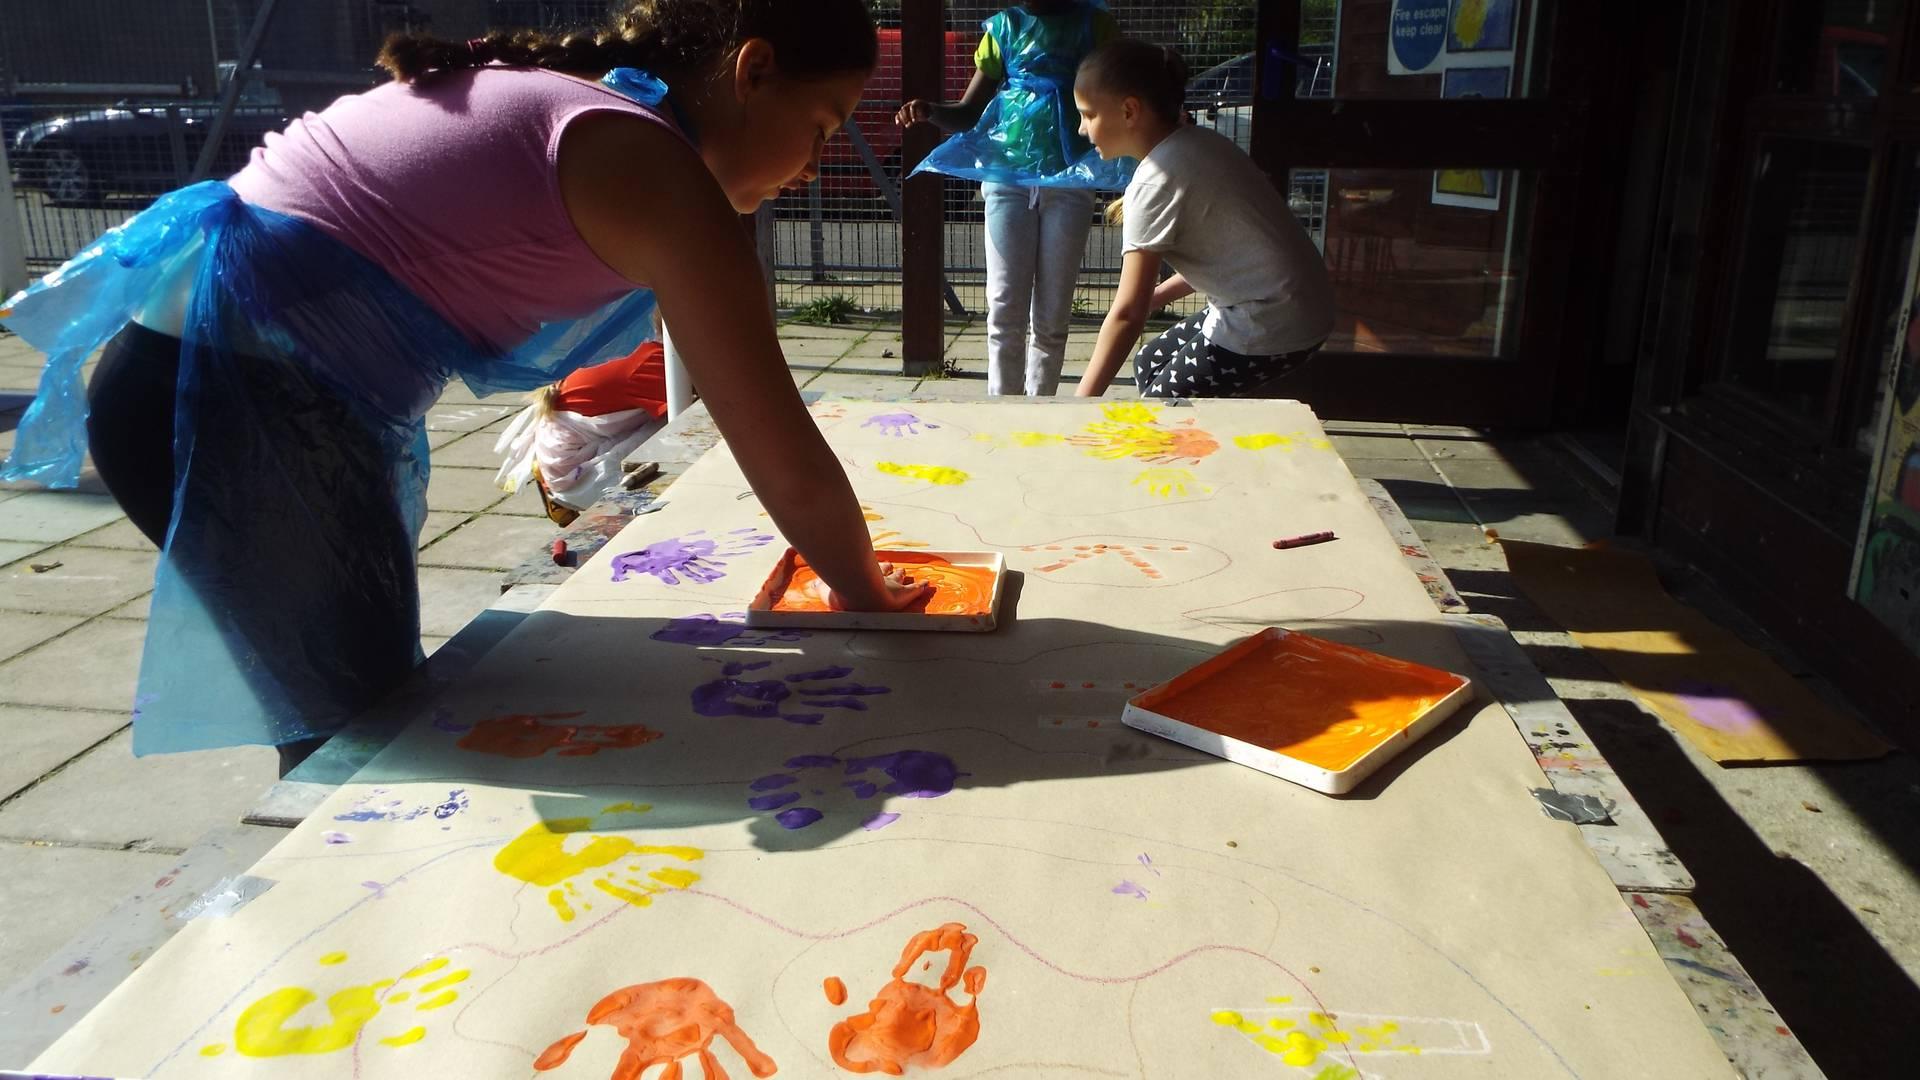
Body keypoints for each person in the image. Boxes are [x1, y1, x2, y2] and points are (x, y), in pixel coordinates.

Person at [0, 0, 928, 766]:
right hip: (226, 404)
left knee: (362, 715)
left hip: (199, 383)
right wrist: (864, 592)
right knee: (363, 752)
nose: (817, 164)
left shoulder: (599, 115)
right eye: (820, 130)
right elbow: (777, 442)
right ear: (753, 70)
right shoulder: (646, 161)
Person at [1069, 39, 1334, 399]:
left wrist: (1078, 405)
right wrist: (1159, 295)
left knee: (1161, 411)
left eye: (1088, 114)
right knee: (1150, 363)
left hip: (1271, 321)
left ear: (1129, 111)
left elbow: (1128, 315)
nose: (1082, 129)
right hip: (1296, 305)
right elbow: (1231, 252)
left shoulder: (1156, 181)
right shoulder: (1200, 142)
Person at [895, 0, 1131, 397]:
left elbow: (1119, 95)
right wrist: (930, 111)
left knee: (1053, 315)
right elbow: (970, 112)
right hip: (1007, 180)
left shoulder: (1096, 28)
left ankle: (1042, 409)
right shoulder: (1004, 28)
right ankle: (1002, 409)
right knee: (1004, 305)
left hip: (1069, 182)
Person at [494, 340, 672, 526]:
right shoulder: (654, 361)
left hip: (560, 449)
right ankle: (587, 501)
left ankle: (555, 484)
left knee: (669, 412)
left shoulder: (635, 341)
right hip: (573, 472)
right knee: (673, 422)